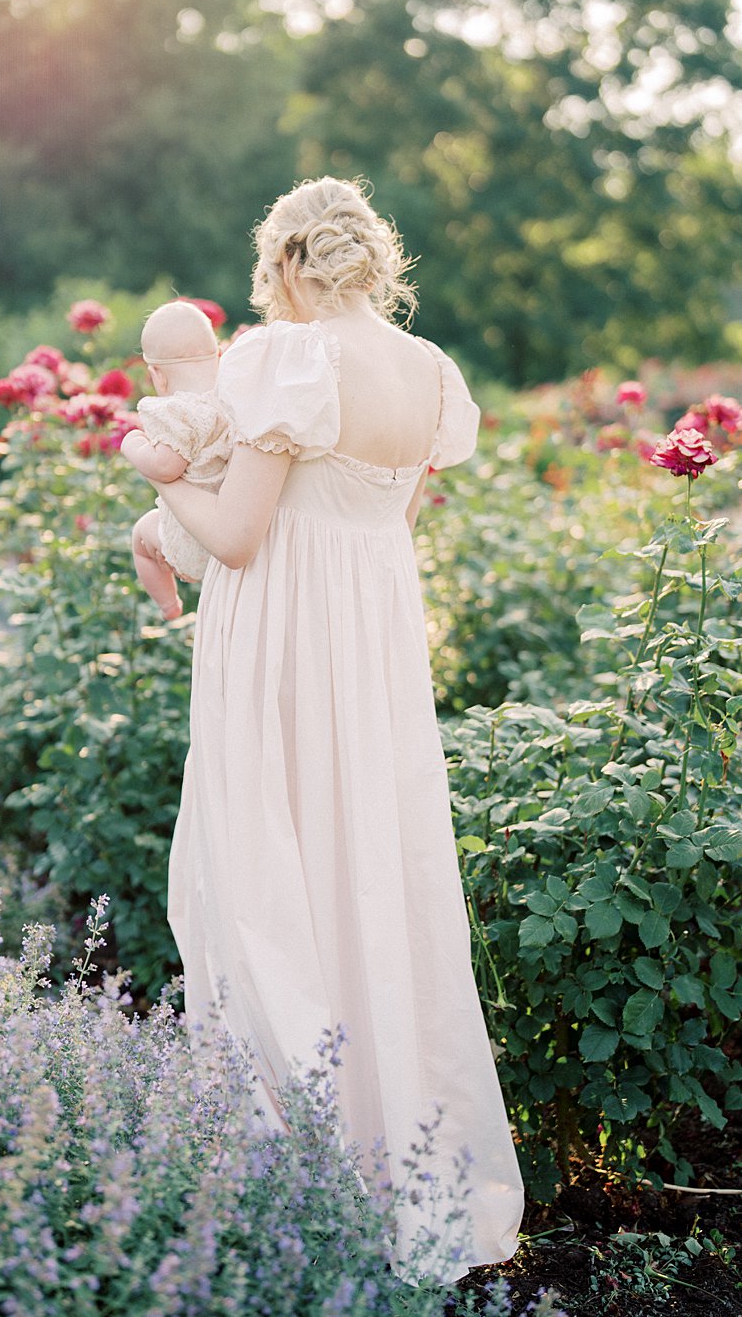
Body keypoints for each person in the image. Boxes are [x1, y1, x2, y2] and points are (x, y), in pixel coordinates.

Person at [126, 176, 524, 1283]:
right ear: (369, 261)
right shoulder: (430, 374)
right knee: (370, 879)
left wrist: (157, 502)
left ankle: (291, 1175)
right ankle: (408, 1168)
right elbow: (376, 524)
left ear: (287, 265)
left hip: (281, 648)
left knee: (265, 880)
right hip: (372, 655)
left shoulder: (282, 359)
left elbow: (243, 536)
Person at [122, 301, 230, 619]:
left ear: (158, 376)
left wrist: (133, 445)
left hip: (193, 537)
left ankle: (169, 606)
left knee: (142, 535)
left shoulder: (177, 412)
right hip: (233, 528)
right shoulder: (230, 400)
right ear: (219, 357)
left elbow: (166, 467)